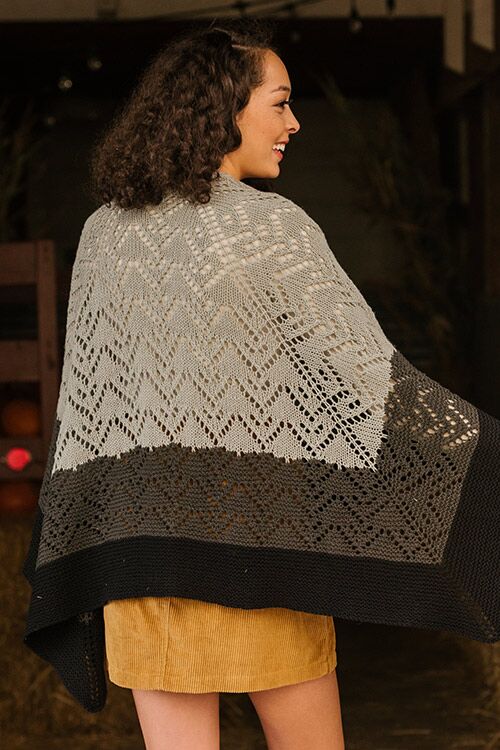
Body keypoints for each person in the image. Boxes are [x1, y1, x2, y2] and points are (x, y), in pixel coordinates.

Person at [90, 19, 346, 750]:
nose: (293, 123)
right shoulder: (274, 228)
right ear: (223, 108)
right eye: (280, 103)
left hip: (141, 539)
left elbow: (98, 413)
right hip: (260, 533)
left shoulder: (107, 232)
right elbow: (357, 382)